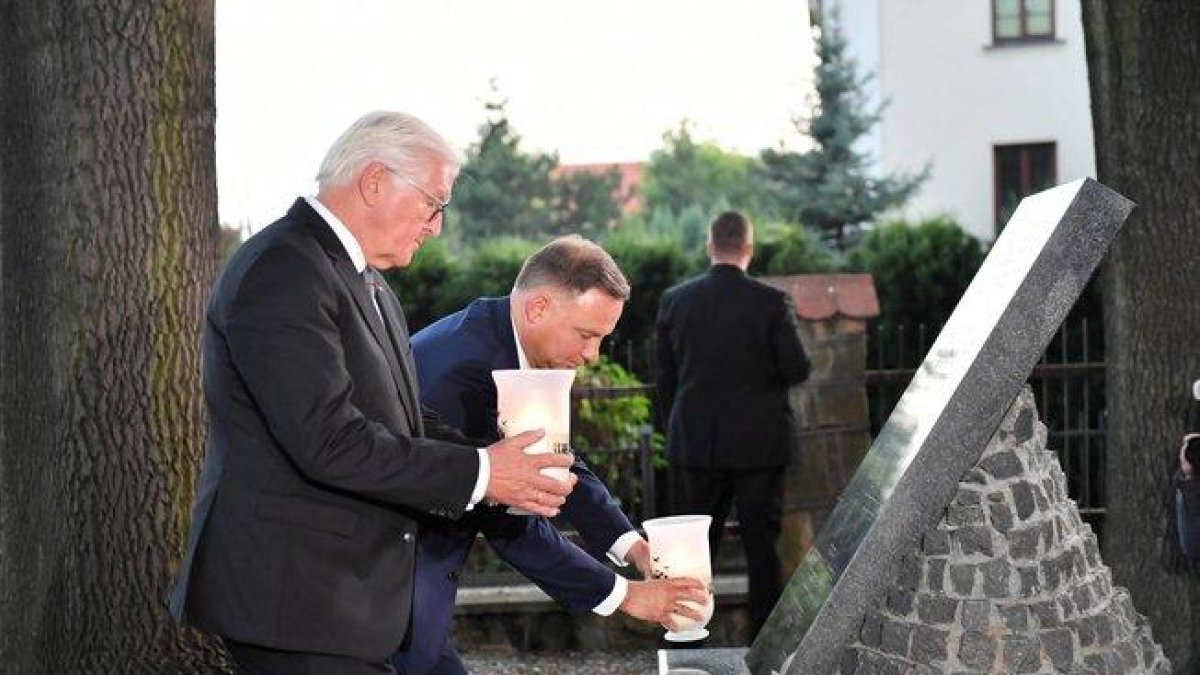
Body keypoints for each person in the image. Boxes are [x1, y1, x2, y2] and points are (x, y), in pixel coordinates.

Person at [169, 111, 578, 675]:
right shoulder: (283, 269)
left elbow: (405, 420)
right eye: (433, 203)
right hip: (294, 600)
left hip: (335, 601)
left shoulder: (366, 281)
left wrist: (501, 467)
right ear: (375, 181)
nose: (436, 226)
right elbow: (330, 441)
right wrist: (484, 473)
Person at [391, 236, 707, 674]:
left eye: (601, 339)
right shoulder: (465, 372)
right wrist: (625, 595)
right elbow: (507, 518)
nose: (592, 355)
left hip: (412, 588)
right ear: (538, 307)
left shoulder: (500, 338)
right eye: (586, 335)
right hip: (382, 588)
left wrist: (634, 547)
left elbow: (556, 460)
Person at [654, 210, 811, 640]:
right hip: (760, 445)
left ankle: (687, 636)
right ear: (749, 249)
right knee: (762, 548)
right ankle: (764, 642)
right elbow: (797, 368)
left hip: (697, 444)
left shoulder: (675, 301)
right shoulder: (771, 302)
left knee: (693, 549)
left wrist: (678, 425)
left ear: (710, 246)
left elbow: (664, 377)